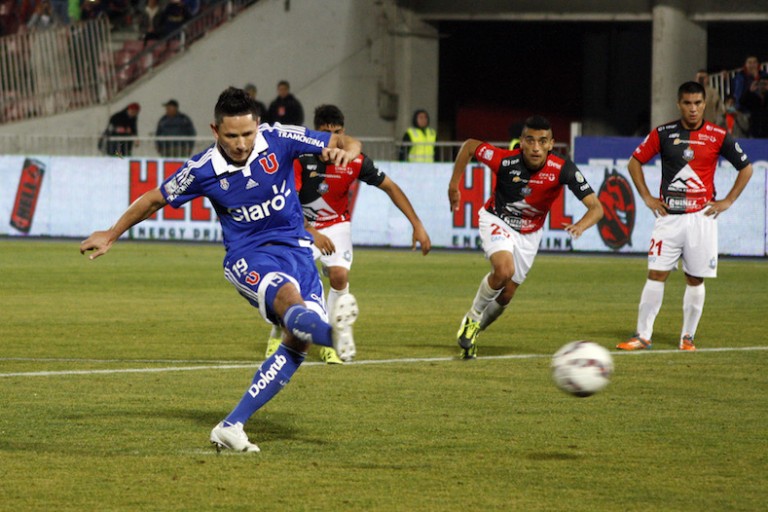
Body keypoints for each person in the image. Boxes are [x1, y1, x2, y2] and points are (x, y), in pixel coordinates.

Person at [80, 87, 363, 453]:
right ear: (215, 131)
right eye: (231, 136)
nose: (242, 143)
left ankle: (232, 425)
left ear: (257, 126)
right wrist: (111, 234)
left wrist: (346, 150)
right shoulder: (202, 169)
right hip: (249, 257)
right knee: (289, 303)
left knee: (298, 343)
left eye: (247, 133)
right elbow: (154, 198)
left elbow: (346, 140)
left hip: (297, 251)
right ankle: (337, 337)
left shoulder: (279, 139)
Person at [265, 104, 433, 364]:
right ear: (316, 133)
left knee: (339, 275)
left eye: (339, 133)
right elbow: (287, 203)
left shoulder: (355, 161)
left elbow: (390, 187)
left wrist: (417, 224)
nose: (334, 142)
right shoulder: (301, 158)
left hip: (336, 224)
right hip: (299, 225)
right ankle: (278, 330)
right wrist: (311, 231)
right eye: (326, 133)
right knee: (291, 283)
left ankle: (332, 338)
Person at [448, 115, 603, 359]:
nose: (536, 147)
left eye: (542, 141)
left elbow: (596, 207)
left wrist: (581, 225)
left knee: (507, 294)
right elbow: (469, 146)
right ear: (521, 142)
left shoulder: (563, 169)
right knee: (503, 270)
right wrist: (453, 185)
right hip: (497, 219)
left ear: (551, 144)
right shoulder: (504, 161)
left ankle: (473, 333)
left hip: (530, 234)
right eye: (530, 140)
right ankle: (472, 317)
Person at [617, 81, 753, 352]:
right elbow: (634, 163)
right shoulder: (664, 133)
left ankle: (687, 337)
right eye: (688, 103)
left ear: (704, 104)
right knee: (656, 274)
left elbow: (746, 169)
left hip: (701, 218)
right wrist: (646, 197)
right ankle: (643, 335)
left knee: (695, 278)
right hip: (668, 217)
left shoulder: (717, 135)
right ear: (679, 104)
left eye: (698, 103)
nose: (693, 109)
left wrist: (727, 200)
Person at [731, 55, 768, 138]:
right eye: (749, 62)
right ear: (745, 64)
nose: (752, 65)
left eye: (754, 62)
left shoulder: (764, 75)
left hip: (761, 114)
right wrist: (750, 90)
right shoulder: (740, 77)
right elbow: (739, 96)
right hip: (744, 113)